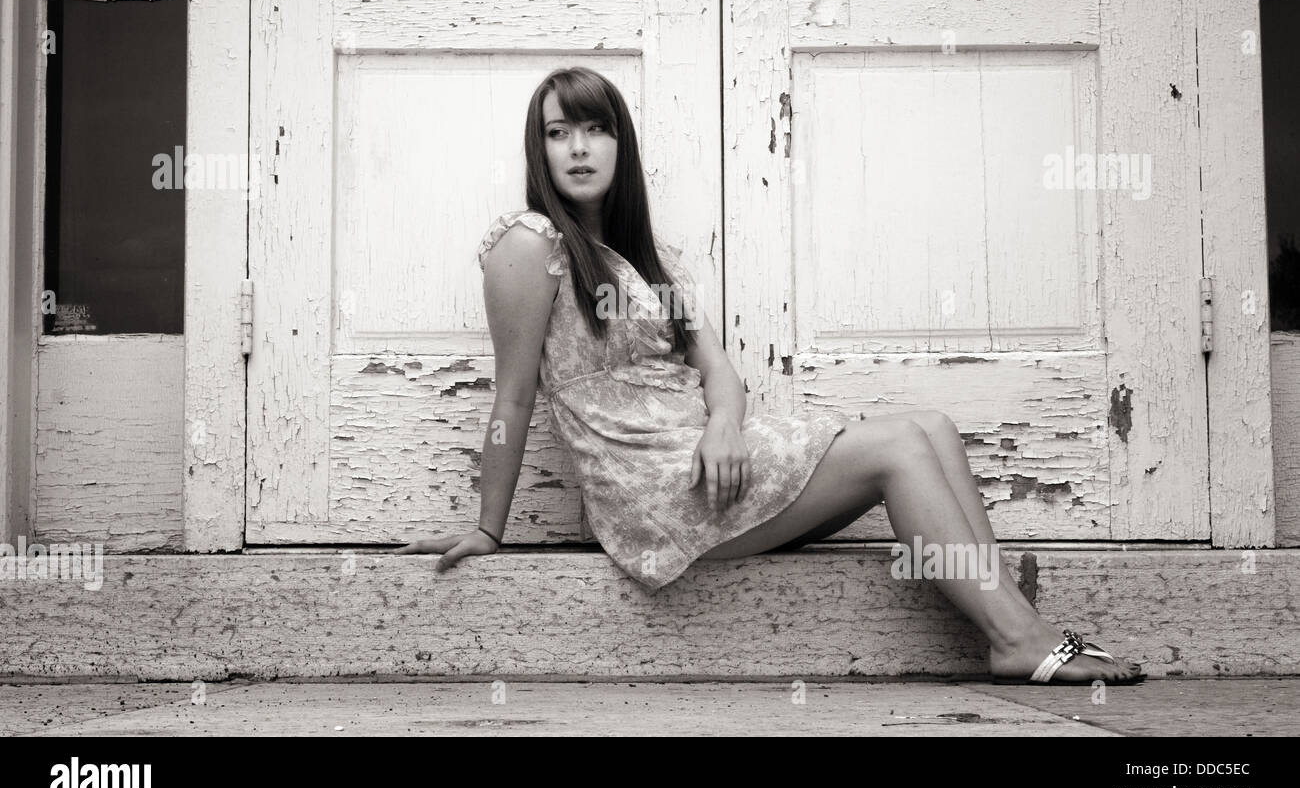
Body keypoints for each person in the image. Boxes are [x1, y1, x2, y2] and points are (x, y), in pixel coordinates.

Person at [396, 66, 1146, 686]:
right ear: (539, 151)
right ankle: (1018, 638)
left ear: (621, 145)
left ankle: (1018, 629)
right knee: (898, 450)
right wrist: (489, 528)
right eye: (558, 133)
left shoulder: (649, 263)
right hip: (653, 492)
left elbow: (717, 368)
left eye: (596, 129)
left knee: (933, 428)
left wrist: (723, 426)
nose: (579, 148)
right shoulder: (528, 244)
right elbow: (514, 391)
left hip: (708, 462)